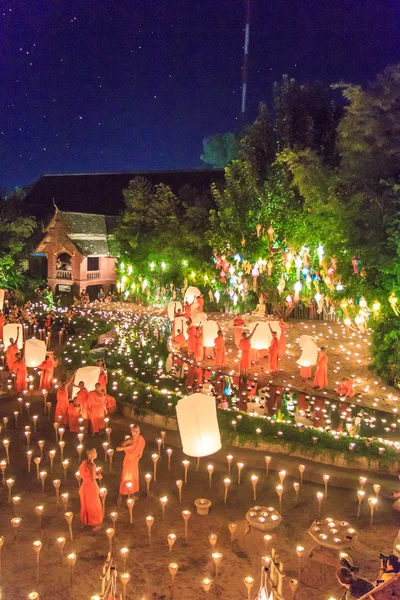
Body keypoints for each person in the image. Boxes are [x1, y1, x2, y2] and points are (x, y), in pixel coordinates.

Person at [116, 424, 146, 505]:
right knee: (125, 477)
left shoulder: (141, 439)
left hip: (135, 461)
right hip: (128, 461)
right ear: (131, 432)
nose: (136, 433)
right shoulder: (129, 440)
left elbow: (141, 449)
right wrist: (128, 447)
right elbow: (118, 448)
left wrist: (140, 455)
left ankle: (132, 493)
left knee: (134, 477)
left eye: (138, 431)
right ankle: (120, 495)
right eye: (134, 431)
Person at [78, 448, 103, 531]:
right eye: (94, 453)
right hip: (90, 488)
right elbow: (92, 480)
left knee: (85, 504)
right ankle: (96, 523)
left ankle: (85, 521)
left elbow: (86, 476)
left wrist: (96, 475)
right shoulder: (92, 465)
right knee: (94, 505)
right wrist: (99, 491)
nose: (96, 454)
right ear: (89, 455)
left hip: (84, 486)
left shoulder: (84, 462)